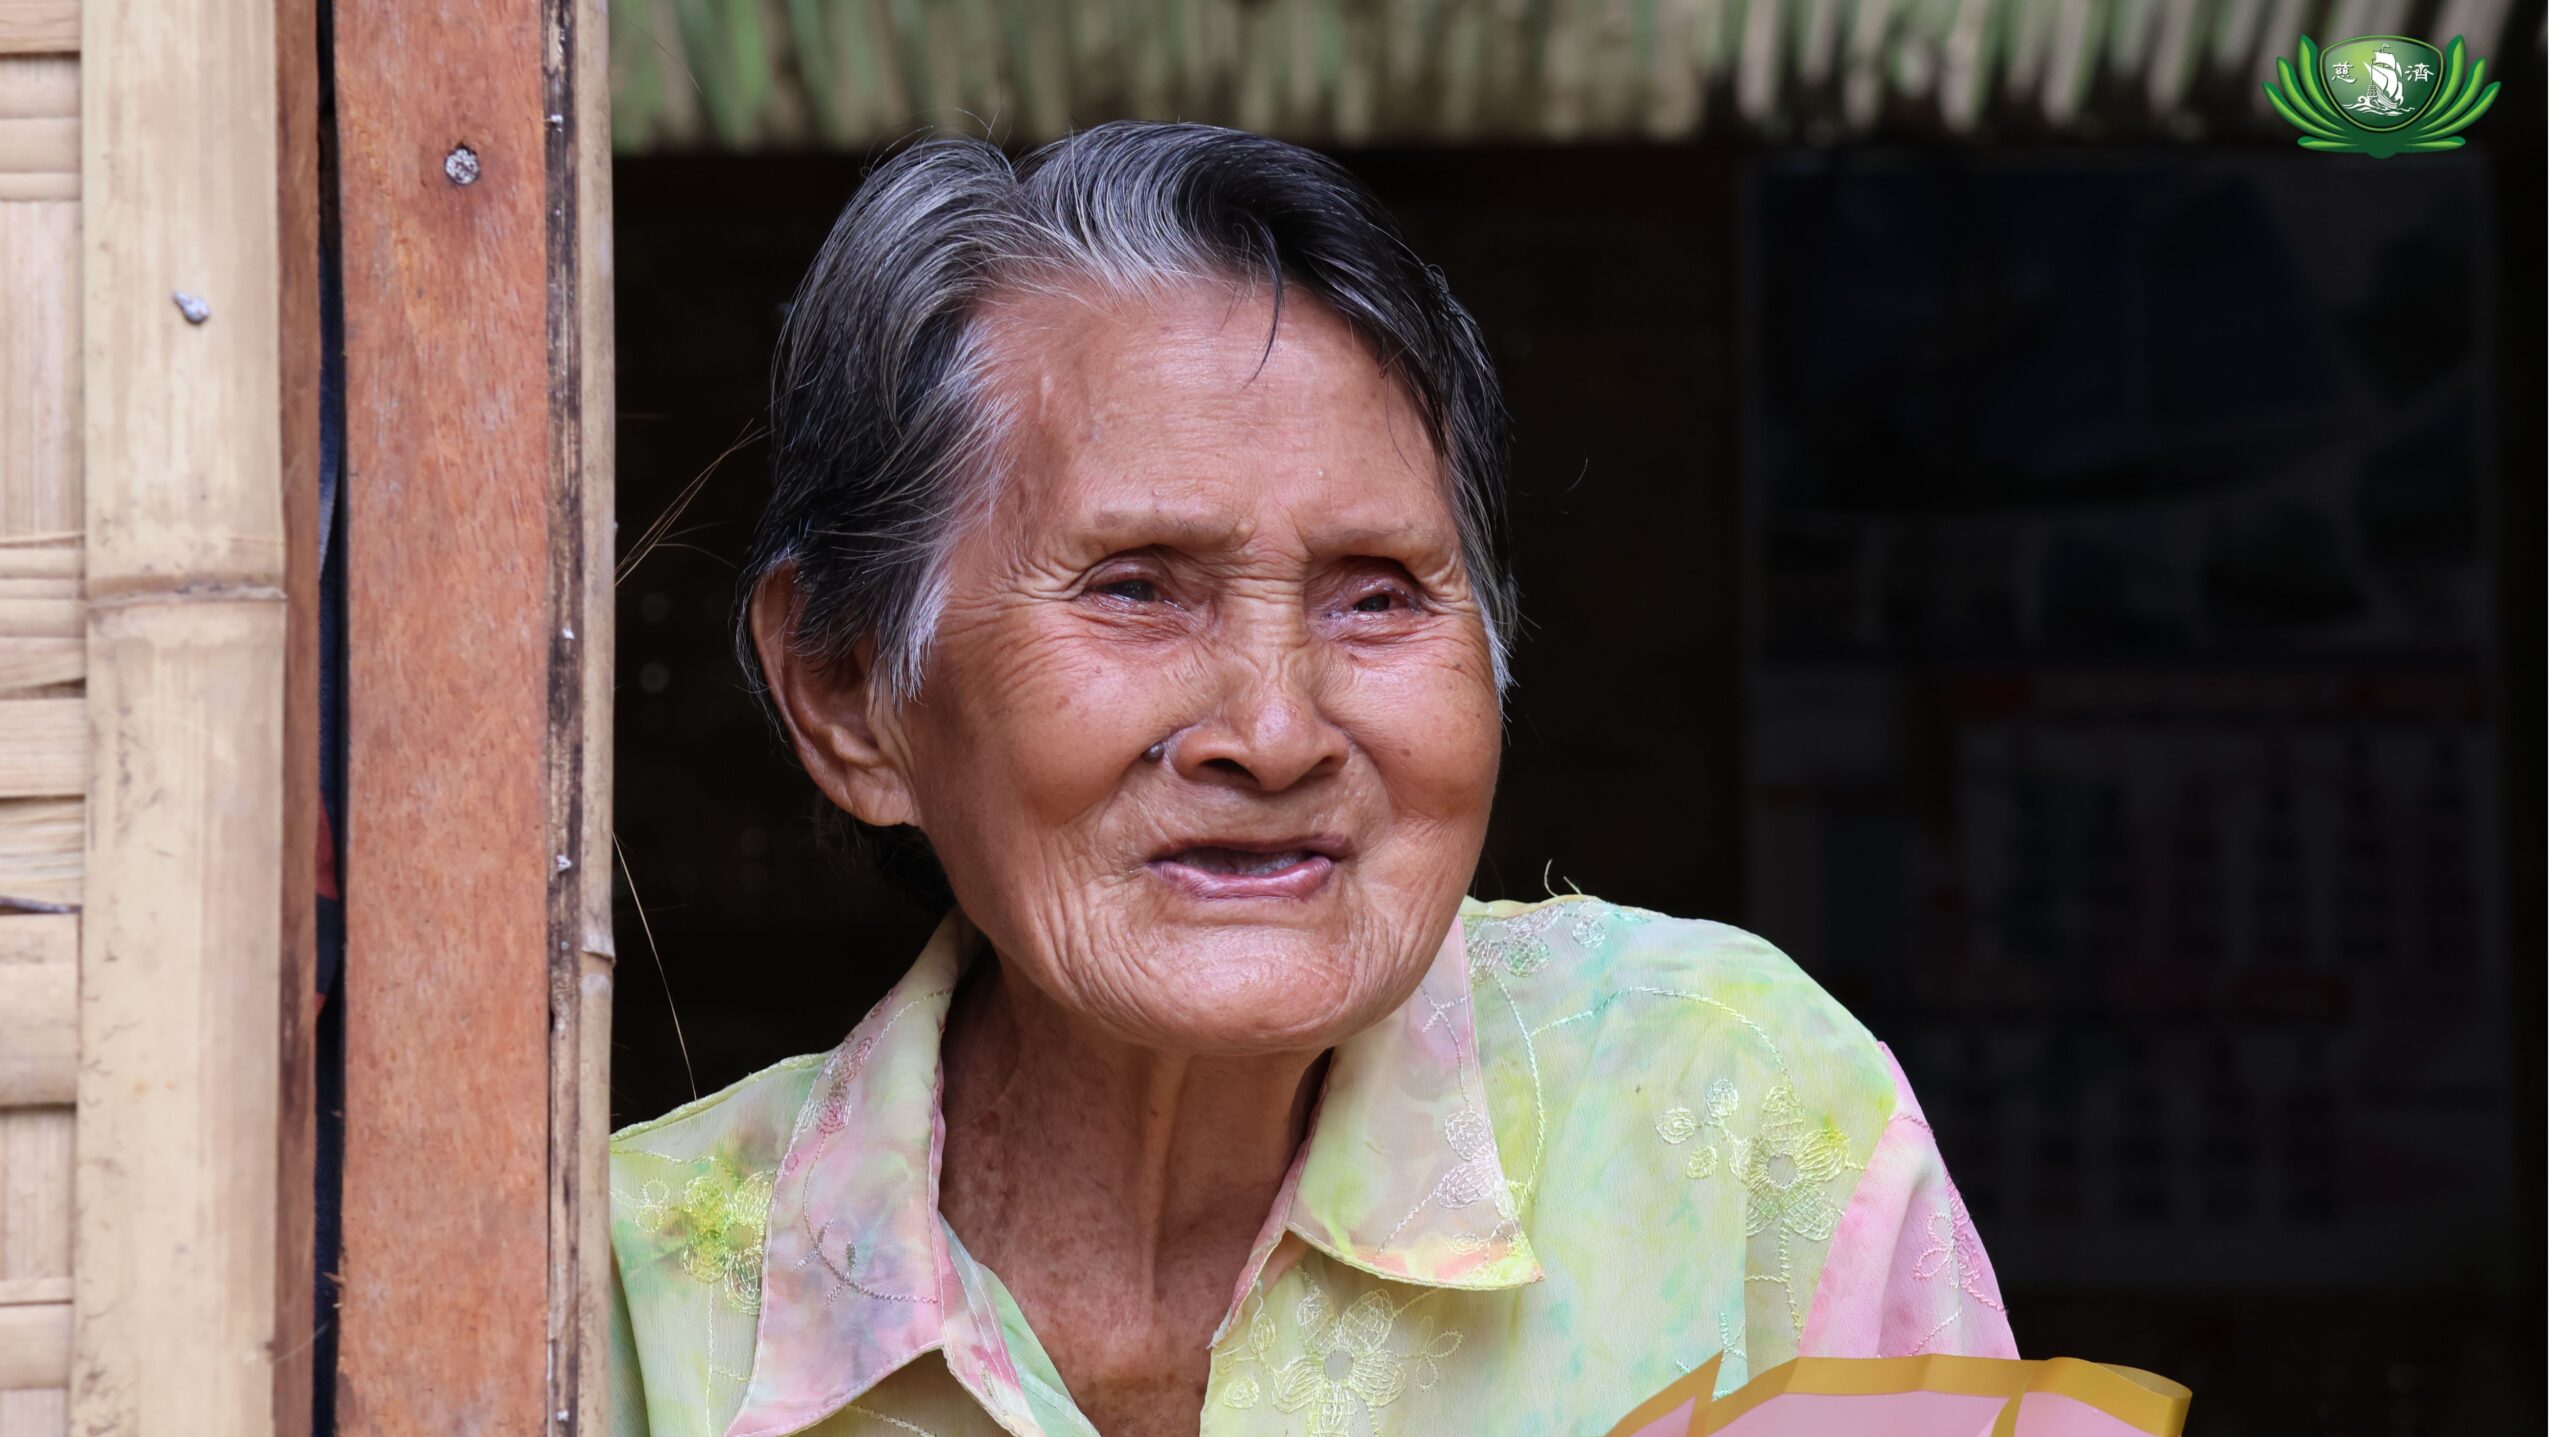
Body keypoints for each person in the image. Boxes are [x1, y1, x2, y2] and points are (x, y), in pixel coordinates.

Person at [607, 121, 2012, 1437]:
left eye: (1378, 596)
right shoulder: (623, 1307)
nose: (1275, 734)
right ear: (853, 694)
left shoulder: (1728, 1122)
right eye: (1135, 588)